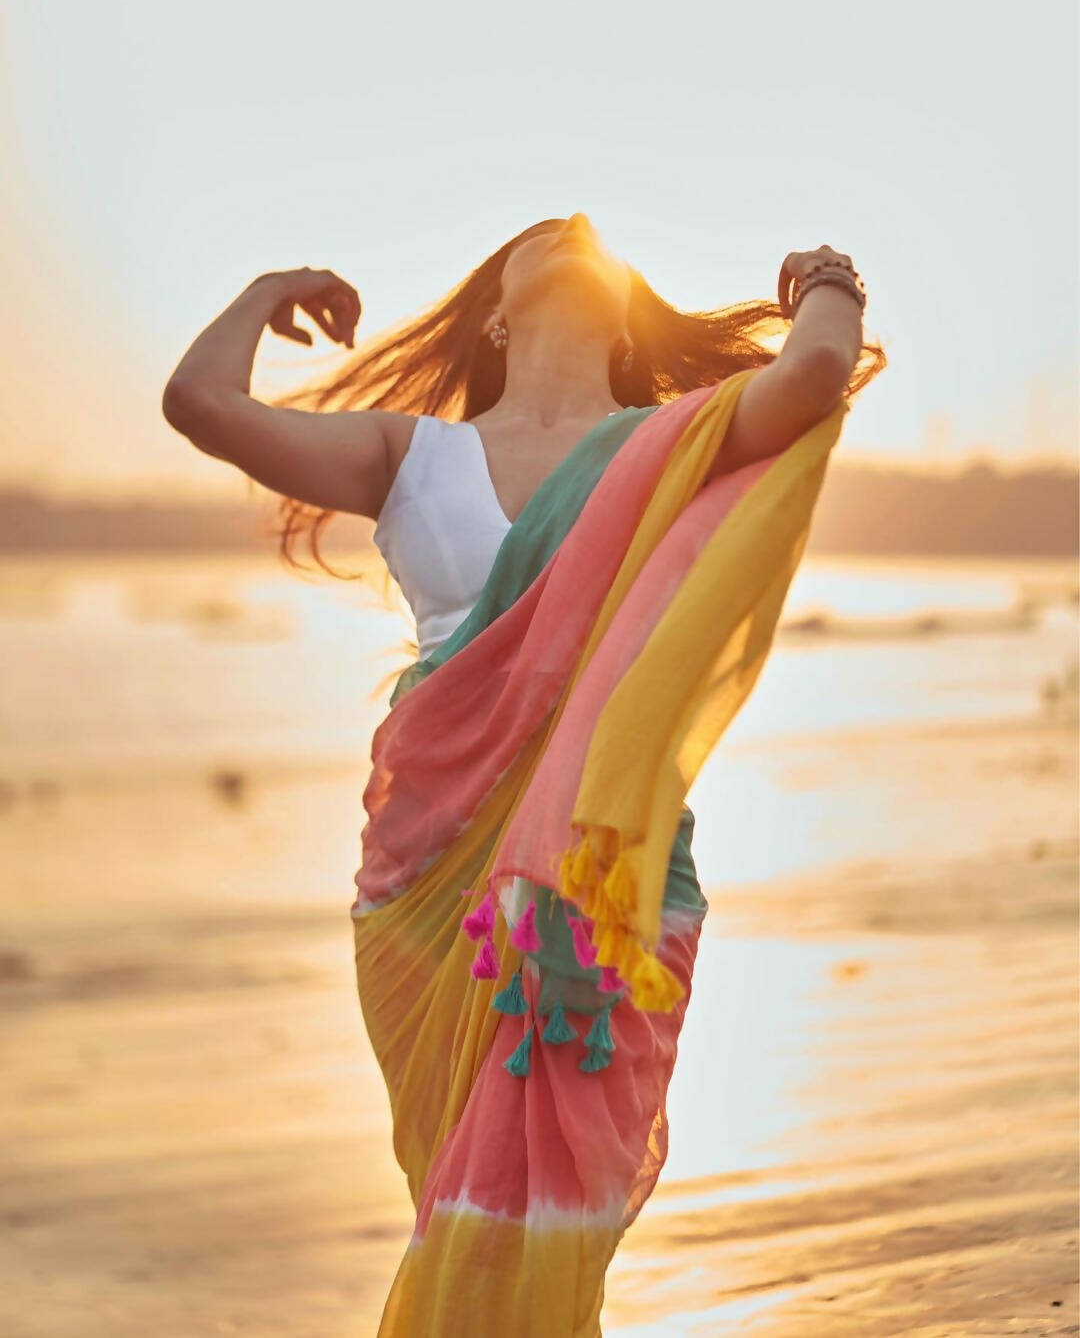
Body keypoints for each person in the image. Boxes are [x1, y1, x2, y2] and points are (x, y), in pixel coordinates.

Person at [162, 213, 884, 1335]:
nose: (572, 232)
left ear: (629, 307)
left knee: (550, 1230)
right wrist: (265, 288)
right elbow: (202, 405)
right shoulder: (409, 455)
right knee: (463, 1206)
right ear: (494, 309)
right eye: (540, 235)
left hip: (605, 878)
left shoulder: (670, 438)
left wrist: (824, 277)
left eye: (590, 235)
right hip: (428, 888)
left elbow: (819, 371)